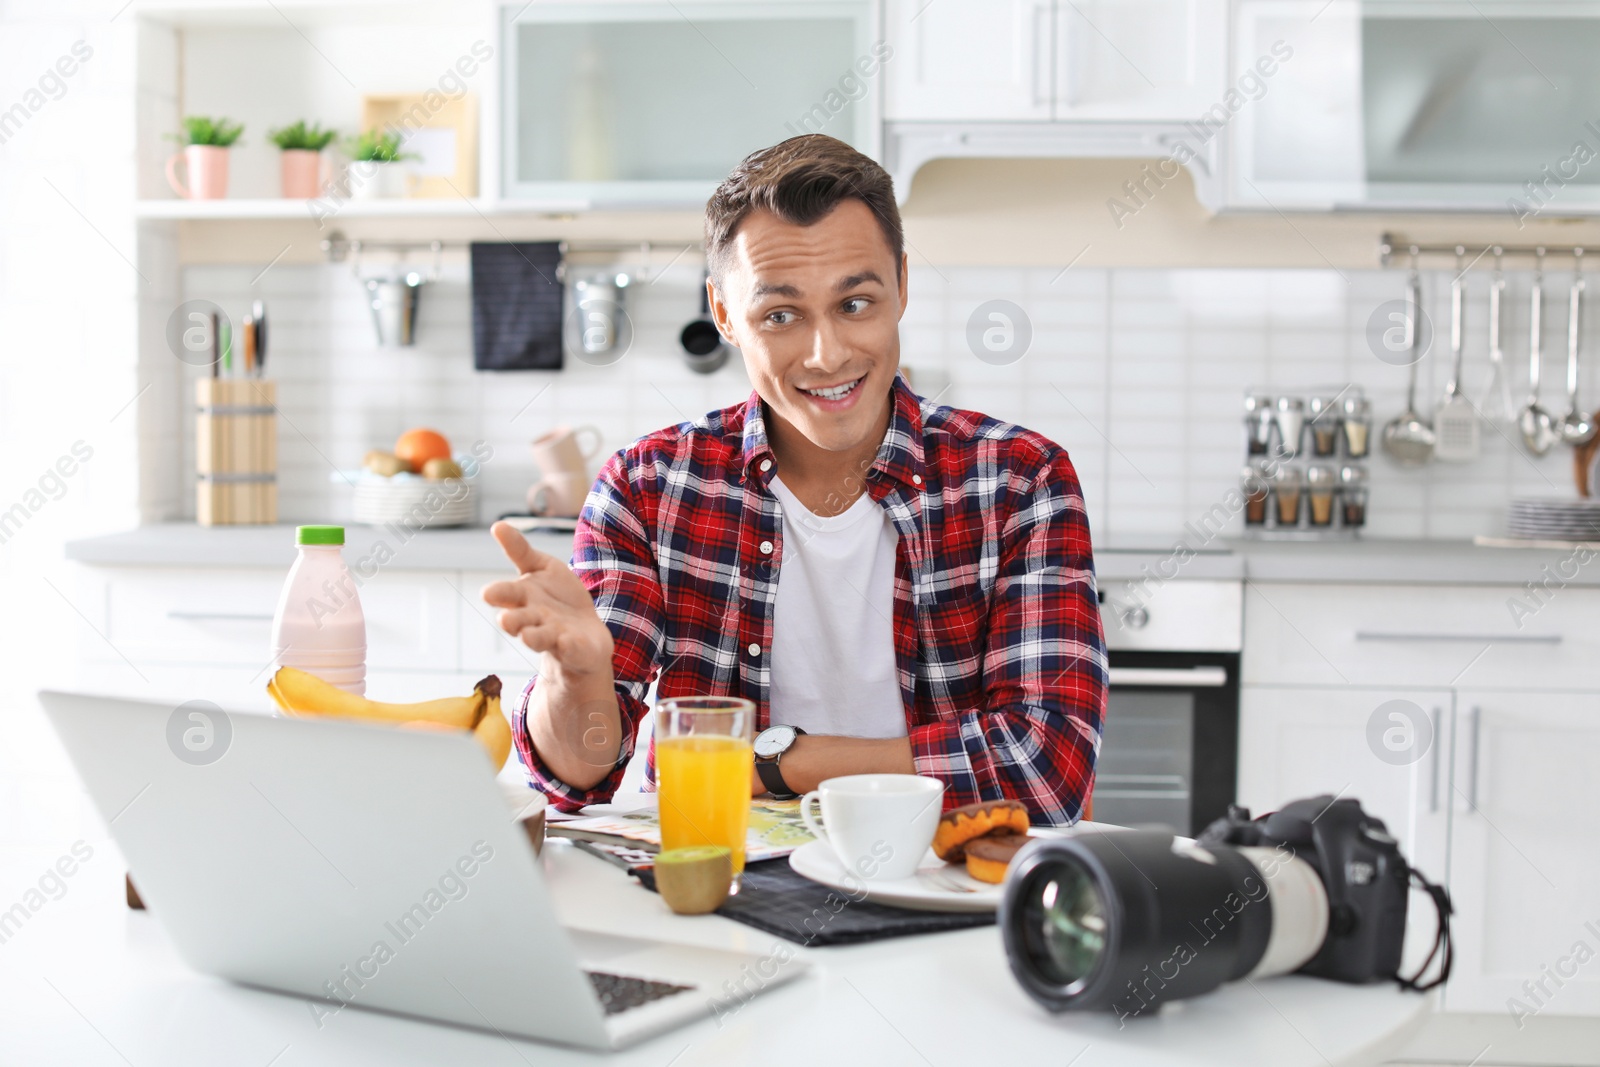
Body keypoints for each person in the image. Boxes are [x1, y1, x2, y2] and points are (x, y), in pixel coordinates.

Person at [482, 134, 1106, 825]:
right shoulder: (647, 487)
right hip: (727, 894)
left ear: (901, 284)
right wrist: (575, 676)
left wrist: (775, 761)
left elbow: (1047, 770)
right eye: (781, 315)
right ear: (724, 314)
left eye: (856, 304)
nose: (827, 353)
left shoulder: (1018, 482)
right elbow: (578, 775)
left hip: (944, 889)